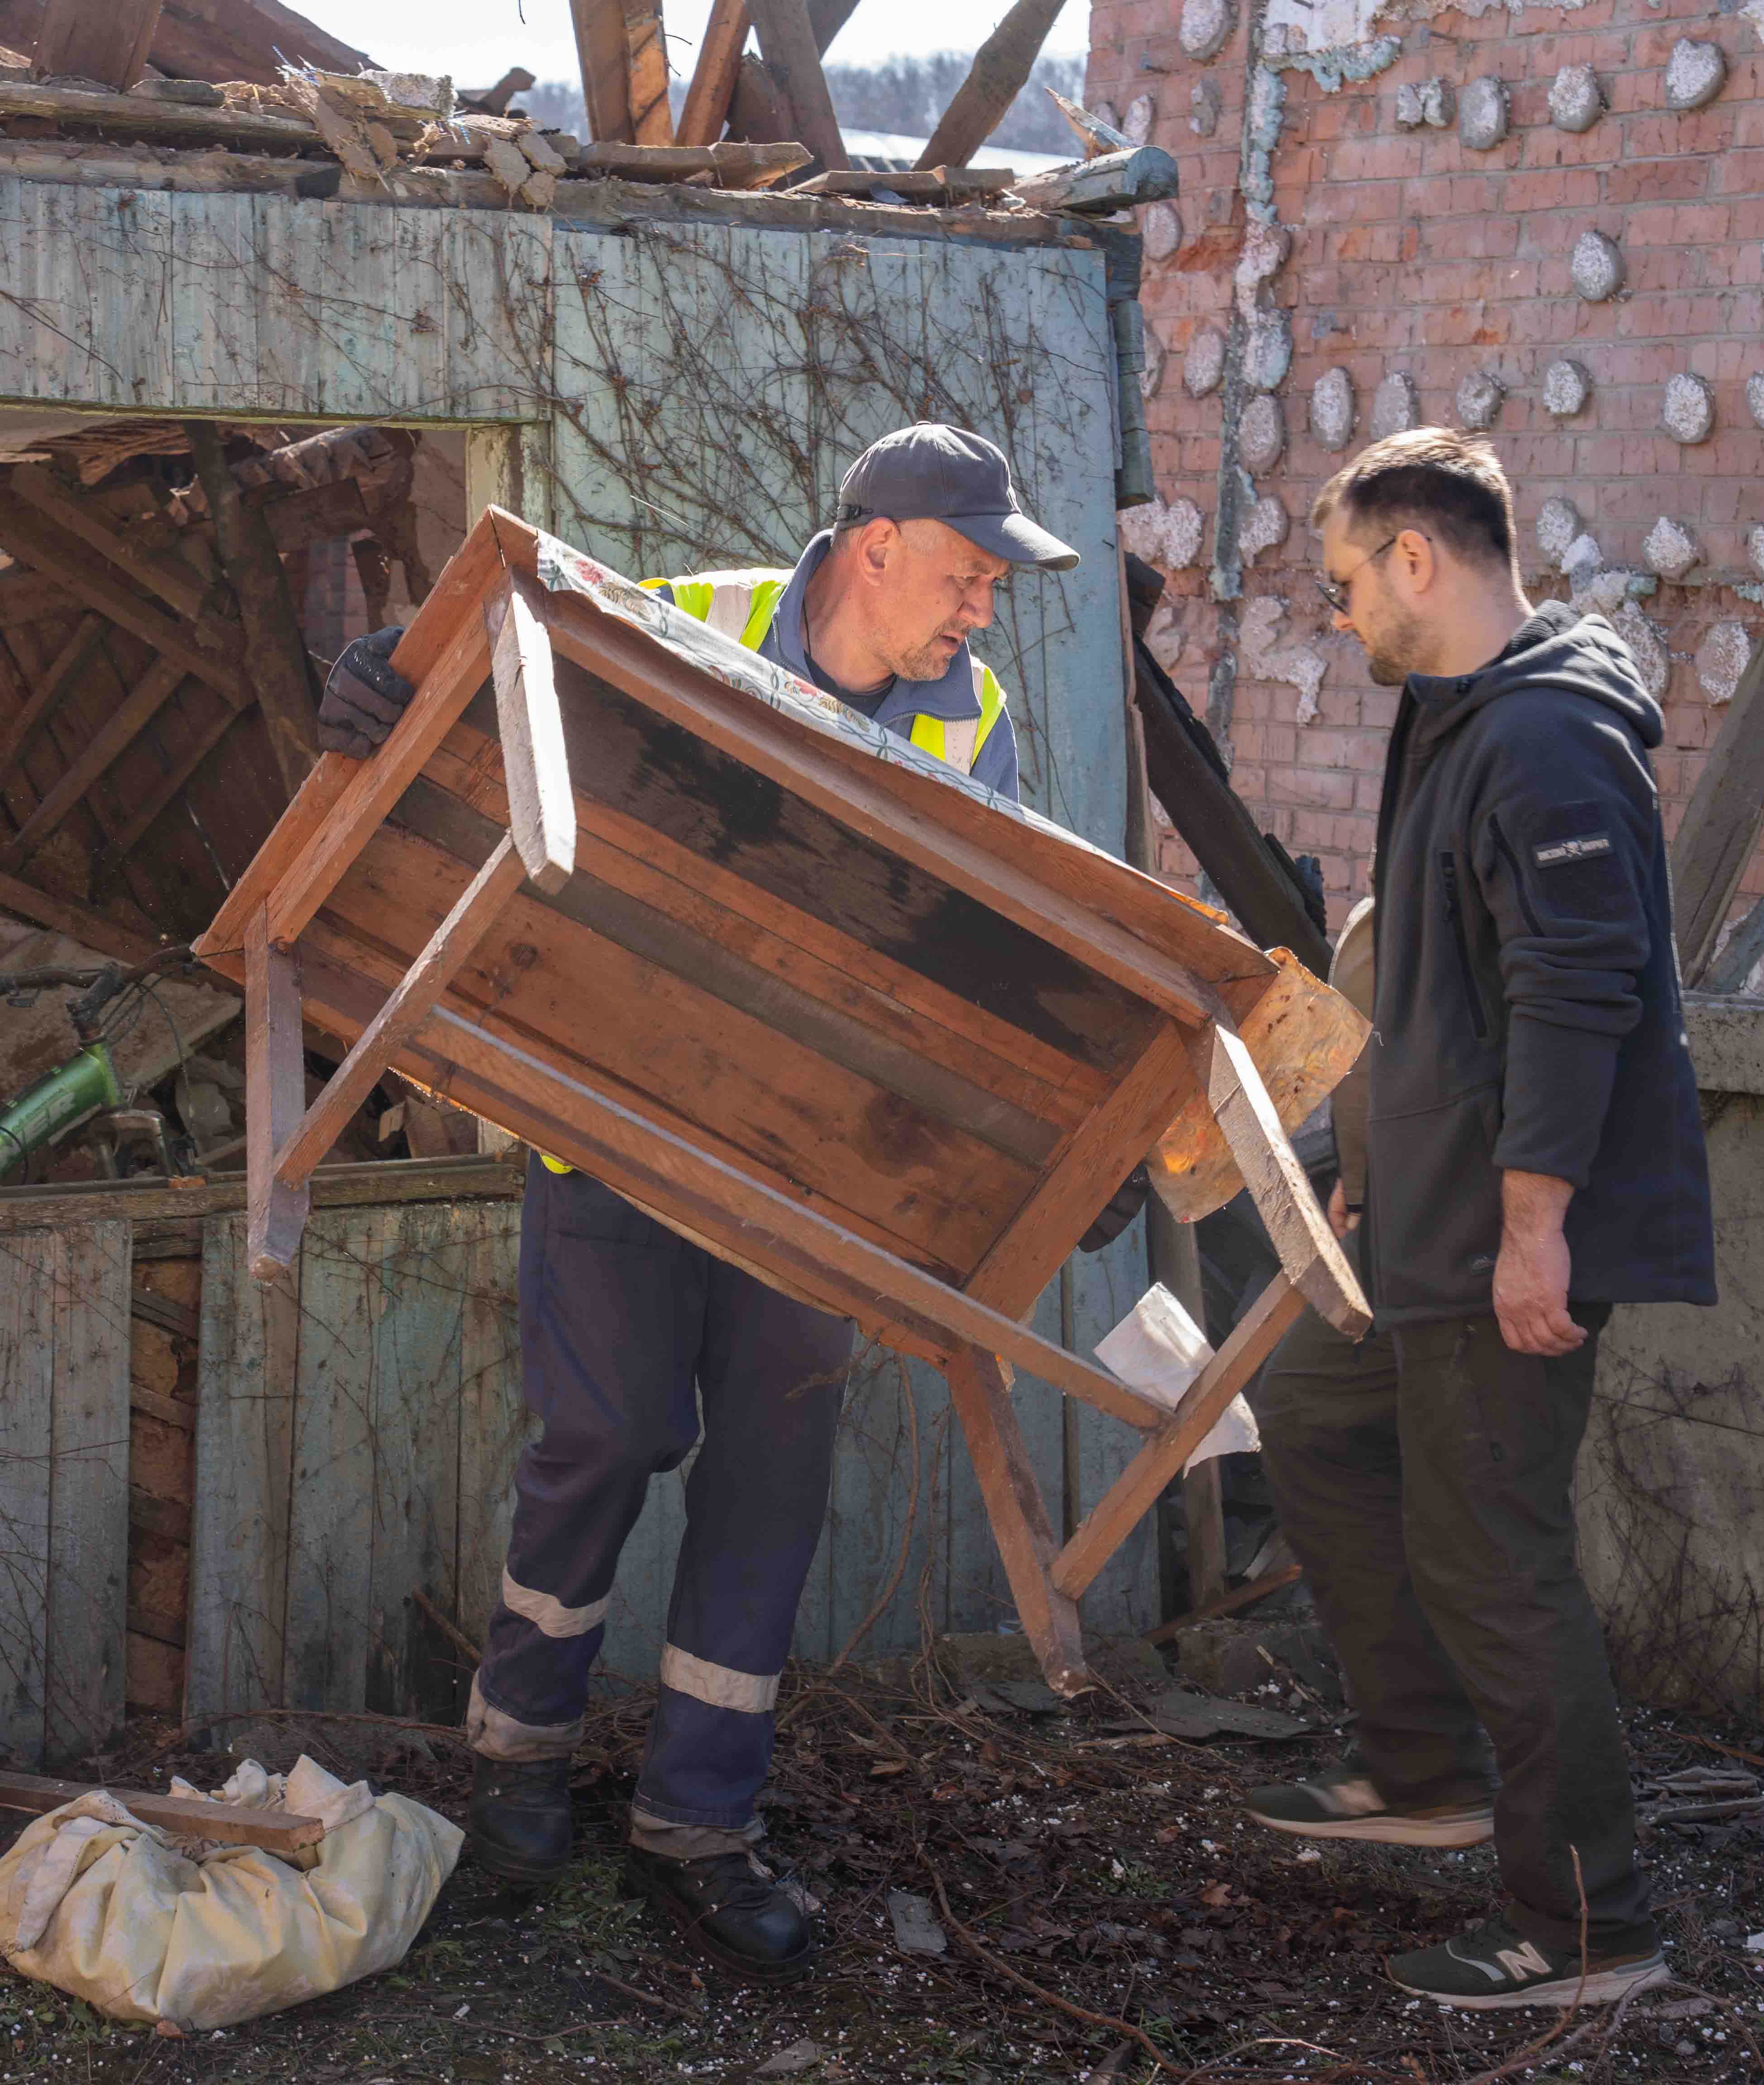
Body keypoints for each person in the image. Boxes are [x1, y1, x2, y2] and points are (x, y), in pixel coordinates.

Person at [317, 424, 1103, 1983]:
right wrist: (384, 688)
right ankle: (518, 1764)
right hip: (610, 1134)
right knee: (598, 1440)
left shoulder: (976, 728)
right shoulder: (693, 616)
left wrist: (1062, 1133)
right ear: (874, 546)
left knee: (770, 1472)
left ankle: (700, 1822)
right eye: (966, 574)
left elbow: (993, 961)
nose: (981, 612)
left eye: (995, 587)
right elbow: (503, 683)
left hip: (814, 1175)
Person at [1239, 428, 1712, 2010]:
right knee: (1309, 1410)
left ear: (1417, 559)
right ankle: (1424, 1769)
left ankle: (1586, 1925)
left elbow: (1577, 999)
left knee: (1498, 1558)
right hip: (1424, 1213)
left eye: (1347, 582)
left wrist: (1533, 1230)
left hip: (1511, 1237)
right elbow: (1440, 984)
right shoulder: (1452, 724)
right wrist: (1383, 1151)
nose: (1342, 611)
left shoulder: (1550, 743)